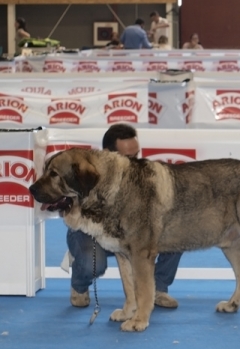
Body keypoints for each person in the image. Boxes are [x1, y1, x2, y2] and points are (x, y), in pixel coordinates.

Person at [68, 124, 183, 309]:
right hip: (91, 232)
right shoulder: (86, 173)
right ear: (107, 153)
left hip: (130, 231)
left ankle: (158, 288)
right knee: (93, 265)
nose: (136, 162)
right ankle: (79, 286)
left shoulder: (144, 173)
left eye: (137, 155)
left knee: (177, 232)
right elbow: (74, 214)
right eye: (128, 158)